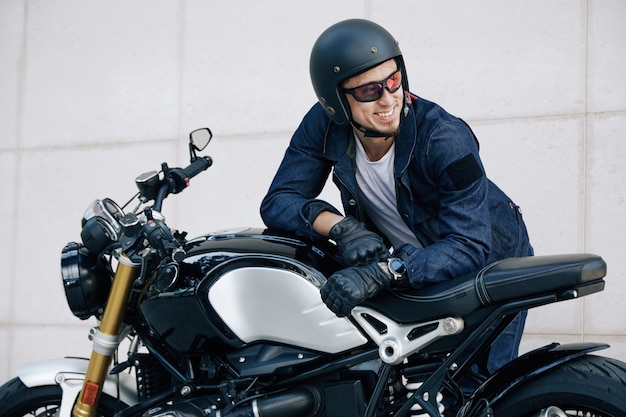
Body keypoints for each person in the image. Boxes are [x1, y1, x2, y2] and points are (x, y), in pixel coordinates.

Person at [260, 18, 533, 374]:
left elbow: (469, 244)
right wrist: (342, 228)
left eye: (393, 81)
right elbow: (279, 200)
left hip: (489, 260)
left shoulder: (445, 138)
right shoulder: (324, 124)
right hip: (413, 264)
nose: (388, 99)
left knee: (476, 385)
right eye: (369, 91)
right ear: (336, 101)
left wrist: (386, 271)